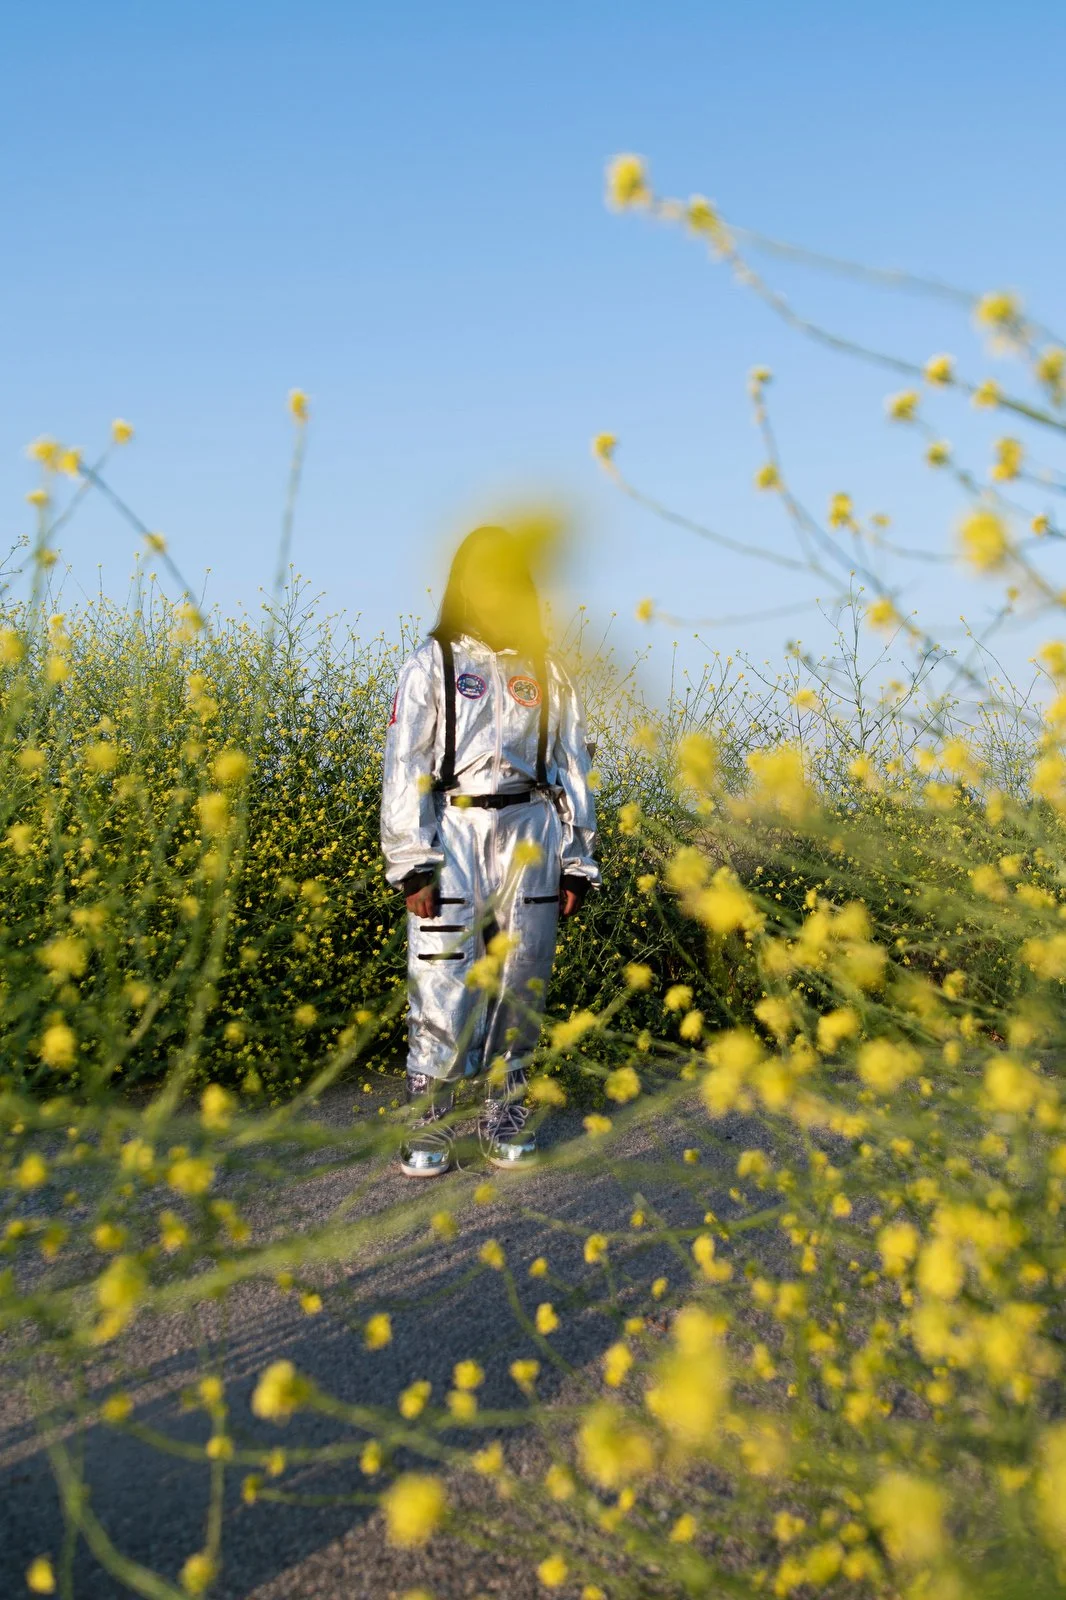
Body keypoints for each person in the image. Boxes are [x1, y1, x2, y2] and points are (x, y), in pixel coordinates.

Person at [380, 525, 600, 1177]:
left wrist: (578, 862)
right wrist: (411, 860)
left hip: (530, 829)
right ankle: (433, 1118)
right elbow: (405, 763)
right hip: (452, 828)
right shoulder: (432, 663)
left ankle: (504, 1109)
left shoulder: (548, 670)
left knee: (521, 971)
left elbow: (573, 766)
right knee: (442, 970)